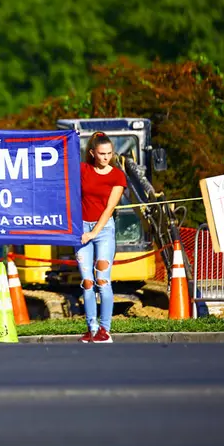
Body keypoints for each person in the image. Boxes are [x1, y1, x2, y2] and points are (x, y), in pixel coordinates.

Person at [77, 132, 127, 344]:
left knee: (102, 280)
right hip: (81, 229)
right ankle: (92, 328)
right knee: (87, 282)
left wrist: (94, 233)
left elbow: (109, 208)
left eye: (109, 153)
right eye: (102, 153)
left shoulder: (117, 175)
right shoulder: (83, 170)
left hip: (103, 230)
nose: (106, 157)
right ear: (92, 153)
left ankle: (105, 330)